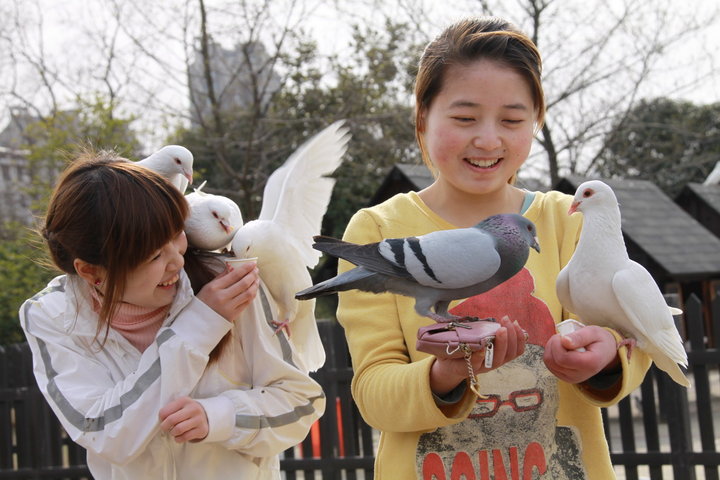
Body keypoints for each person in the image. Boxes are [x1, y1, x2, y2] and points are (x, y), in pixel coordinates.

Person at [335, 17, 651, 479]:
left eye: (512, 119)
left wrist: (606, 356)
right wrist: (444, 375)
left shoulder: (567, 221)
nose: (487, 139)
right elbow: (373, 392)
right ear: (423, 118)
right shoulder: (379, 227)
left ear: (536, 122)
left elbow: (636, 342)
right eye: (464, 118)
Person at [19, 151, 325, 479]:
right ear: (92, 273)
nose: (177, 262)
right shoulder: (52, 316)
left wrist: (221, 417)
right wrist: (200, 325)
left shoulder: (228, 283)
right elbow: (104, 433)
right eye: (154, 255)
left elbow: (300, 403)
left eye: (176, 235)